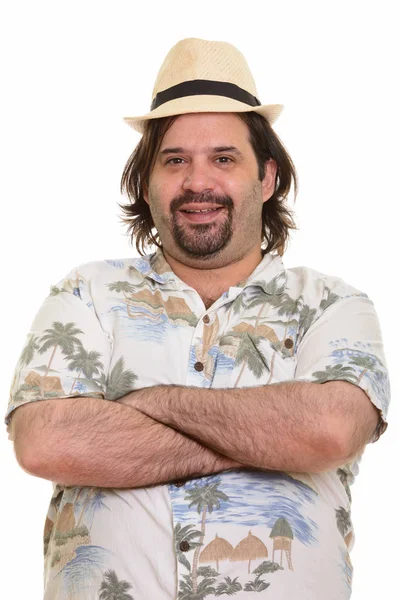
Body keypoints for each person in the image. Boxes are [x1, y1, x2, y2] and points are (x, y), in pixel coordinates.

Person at [6, 38, 390, 600]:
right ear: (147, 181)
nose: (197, 181)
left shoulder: (335, 305)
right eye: (175, 159)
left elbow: (330, 430)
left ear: (266, 179)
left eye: (224, 158)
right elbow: (44, 443)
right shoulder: (86, 293)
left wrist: (151, 405)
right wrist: (269, 438)